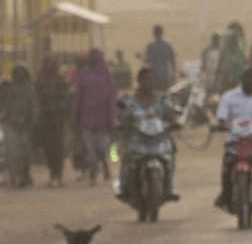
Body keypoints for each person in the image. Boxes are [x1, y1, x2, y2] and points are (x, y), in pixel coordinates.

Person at [214, 66, 252, 208]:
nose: (248, 81)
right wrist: (221, 124)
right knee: (227, 164)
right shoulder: (228, 97)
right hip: (234, 141)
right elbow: (221, 118)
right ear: (240, 79)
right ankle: (225, 194)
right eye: (246, 77)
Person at [115, 66, 178, 204]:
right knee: (124, 157)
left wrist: (174, 121)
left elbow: (171, 113)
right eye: (146, 79)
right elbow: (121, 114)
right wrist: (121, 123)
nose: (149, 82)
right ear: (139, 81)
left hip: (158, 139)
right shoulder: (130, 100)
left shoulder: (161, 100)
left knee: (172, 151)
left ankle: (169, 186)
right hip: (137, 139)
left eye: (151, 79)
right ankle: (121, 185)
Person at [70, 48, 118, 186]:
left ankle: (104, 164)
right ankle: (93, 173)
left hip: (103, 120)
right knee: (90, 150)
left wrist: (112, 117)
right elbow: (78, 98)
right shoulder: (84, 75)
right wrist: (75, 117)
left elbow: (112, 98)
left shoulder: (106, 75)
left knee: (102, 148)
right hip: (87, 119)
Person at [0, 65, 38, 188]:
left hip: (24, 125)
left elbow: (34, 108)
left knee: (24, 153)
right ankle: (15, 176)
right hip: (12, 124)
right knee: (13, 153)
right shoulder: (8, 89)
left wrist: (31, 121)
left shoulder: (29, 90)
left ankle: (23, 175)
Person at [34, 57, 70, 187]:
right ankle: (53, 173)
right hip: (45, 119)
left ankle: (57, 174)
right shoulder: (40, 80)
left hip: (57, 120)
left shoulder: (60, 80)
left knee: (58, 149)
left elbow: (65, 99)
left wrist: (60, 108)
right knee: (49, 149)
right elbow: (36, 97)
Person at [218, 24, 247, 93]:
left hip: (237, 81)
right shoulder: (225, 52)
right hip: (226, 80)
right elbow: (219, 67)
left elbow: (244, 64)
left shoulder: (240, 52)